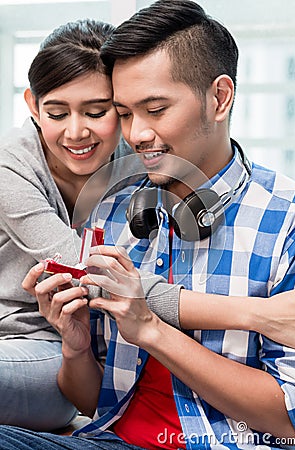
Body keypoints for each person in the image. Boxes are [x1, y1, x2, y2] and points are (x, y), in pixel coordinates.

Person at [1, 1, 295, 449]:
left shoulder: (286, 220)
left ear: (219, 98)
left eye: (155, 109)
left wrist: (153, 330)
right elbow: (94, 400)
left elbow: (291, 419)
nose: (136, 133)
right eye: (124, 113)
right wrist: (76, 347)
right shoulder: (111, 209)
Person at [0, 18, 148, 431]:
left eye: (97, 111)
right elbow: (89, 271)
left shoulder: (141, 163)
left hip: (54, 351)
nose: (76, 131)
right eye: (56, 112)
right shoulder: (10, 165)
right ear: (33, 104)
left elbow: (110, 281)